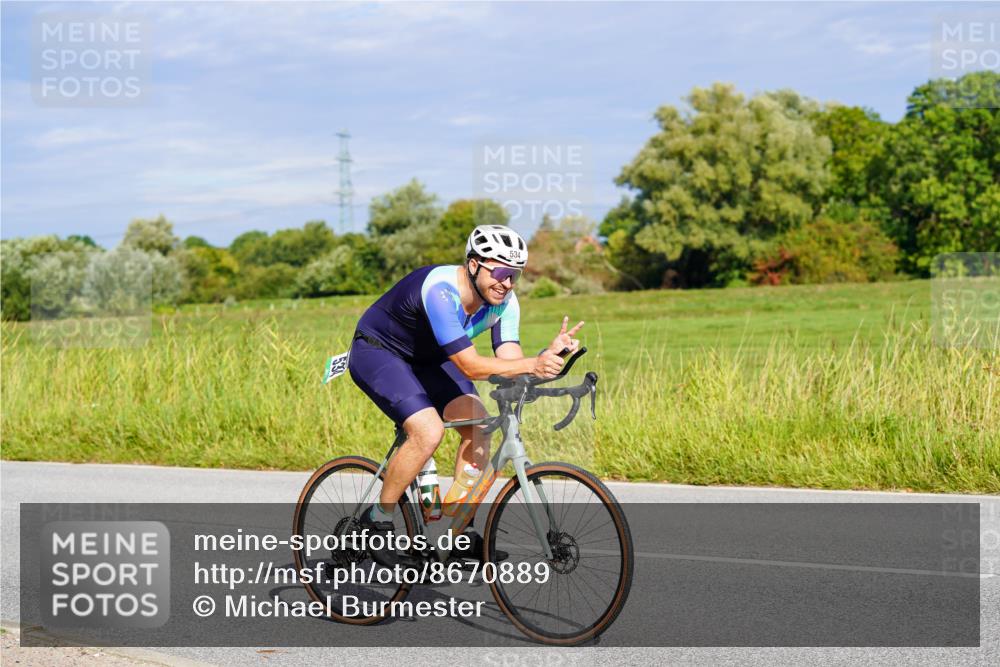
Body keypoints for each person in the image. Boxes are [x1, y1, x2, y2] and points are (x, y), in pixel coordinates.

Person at [348, 224, 584, 566]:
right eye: (499, 272)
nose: (506, 283)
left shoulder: (503, 302)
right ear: (473, 265)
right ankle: (374, 522)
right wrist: (533, 364)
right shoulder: (442, 291)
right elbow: (471, 366)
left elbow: (510, 361)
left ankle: (458, 536)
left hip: (430, 360)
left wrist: (550, 357)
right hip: (380, 352)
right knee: (427, 431)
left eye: (514, 275)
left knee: (479, 427)